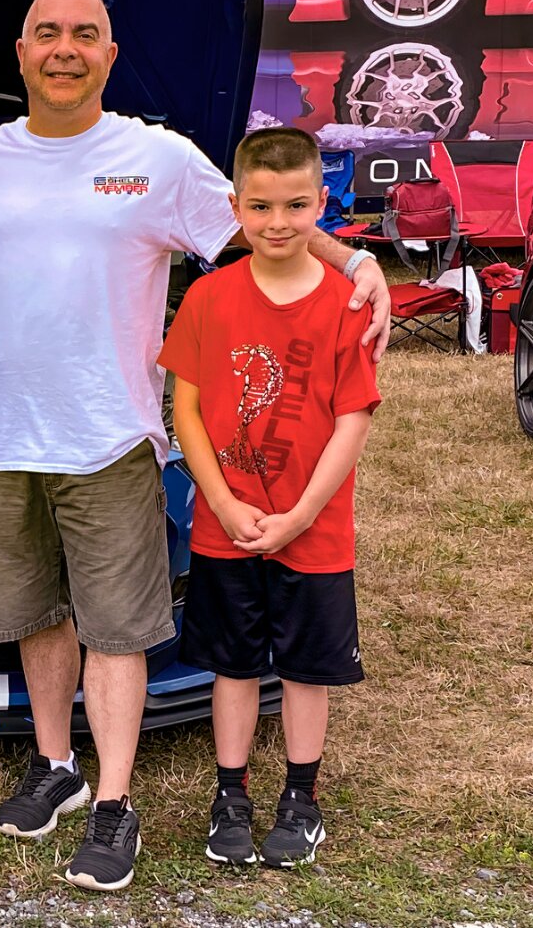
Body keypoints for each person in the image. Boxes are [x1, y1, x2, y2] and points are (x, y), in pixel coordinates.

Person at [0, 0, 391, 890]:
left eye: (84, 34)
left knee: (115, 628)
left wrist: (353, 259)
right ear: (19, 53)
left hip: (110, 436)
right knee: (38, 614)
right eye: (47, 33)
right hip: (3, 437)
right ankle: (56, 764)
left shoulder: (157, 158)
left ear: (110, 54)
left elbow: (258, 222)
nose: (64, 49)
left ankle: (115, 803)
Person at [158, 127, 379, 869]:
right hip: (229, 526)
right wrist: (222, 504)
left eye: (294, 206)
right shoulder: (209, 296)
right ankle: (231, 795)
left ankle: (301, 799)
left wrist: (302, 514)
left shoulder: (346, 303)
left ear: (322, 203)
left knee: (308, 669)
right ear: (235, 208)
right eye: (259, 207)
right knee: (234, 665)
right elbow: (187, 411)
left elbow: (352, 419)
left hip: (314, 529)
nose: (277, 222)